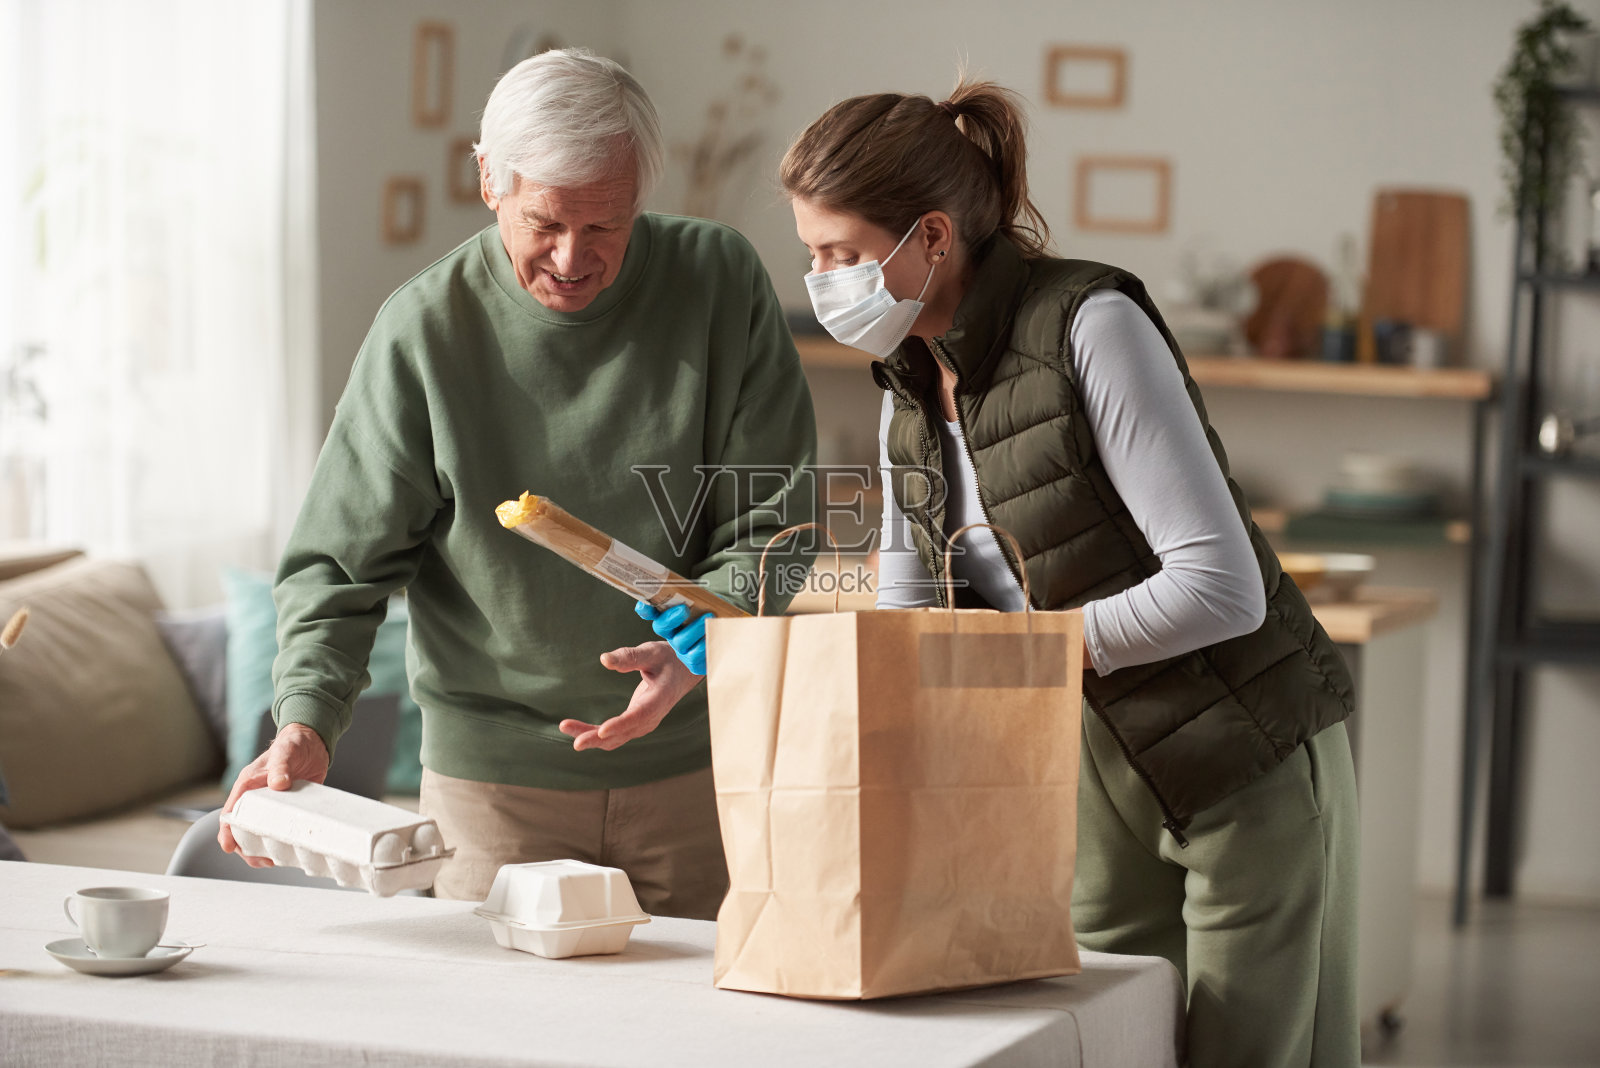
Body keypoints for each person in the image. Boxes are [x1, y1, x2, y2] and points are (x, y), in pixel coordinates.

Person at [781, 80, 1359, 1067]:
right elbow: (909, 612)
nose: (822, 279)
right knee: (1107, 1044)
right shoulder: (908, 390)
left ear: (929, 238)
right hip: (1089, 780)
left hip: (1240, 763)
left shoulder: (1090, 325)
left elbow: (1221, 586)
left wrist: (1022, 653)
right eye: (809, 255)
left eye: (839, 253)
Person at [219, 49, 817, 918]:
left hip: (697, 767)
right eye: (546, 222)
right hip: (491, 789)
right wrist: (306, 722)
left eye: (608, 226)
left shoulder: (718, 281)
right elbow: (340, 569)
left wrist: (703, 644)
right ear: (489, 179)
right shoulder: (423, 333)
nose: (574, 258)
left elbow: (781, 519)